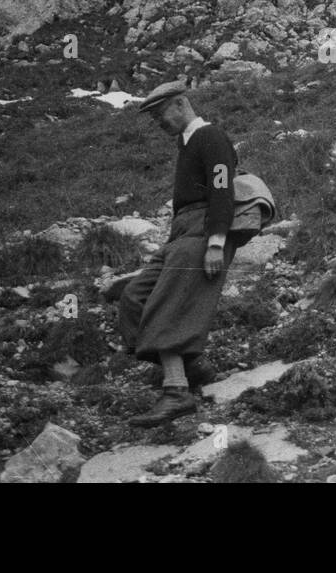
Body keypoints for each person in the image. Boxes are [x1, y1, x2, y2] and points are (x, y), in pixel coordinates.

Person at [120, 80, 239, 427]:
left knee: (167, 304)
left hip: (203, 231)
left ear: (181, 104)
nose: (159, 123)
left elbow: (222, 191)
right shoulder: (187, 144)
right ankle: (191, 367)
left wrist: (216, 241)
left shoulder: (210, 136)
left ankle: (176, 392)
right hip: (182, 235)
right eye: (155, 117)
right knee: (133, 297)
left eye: (161, 114)